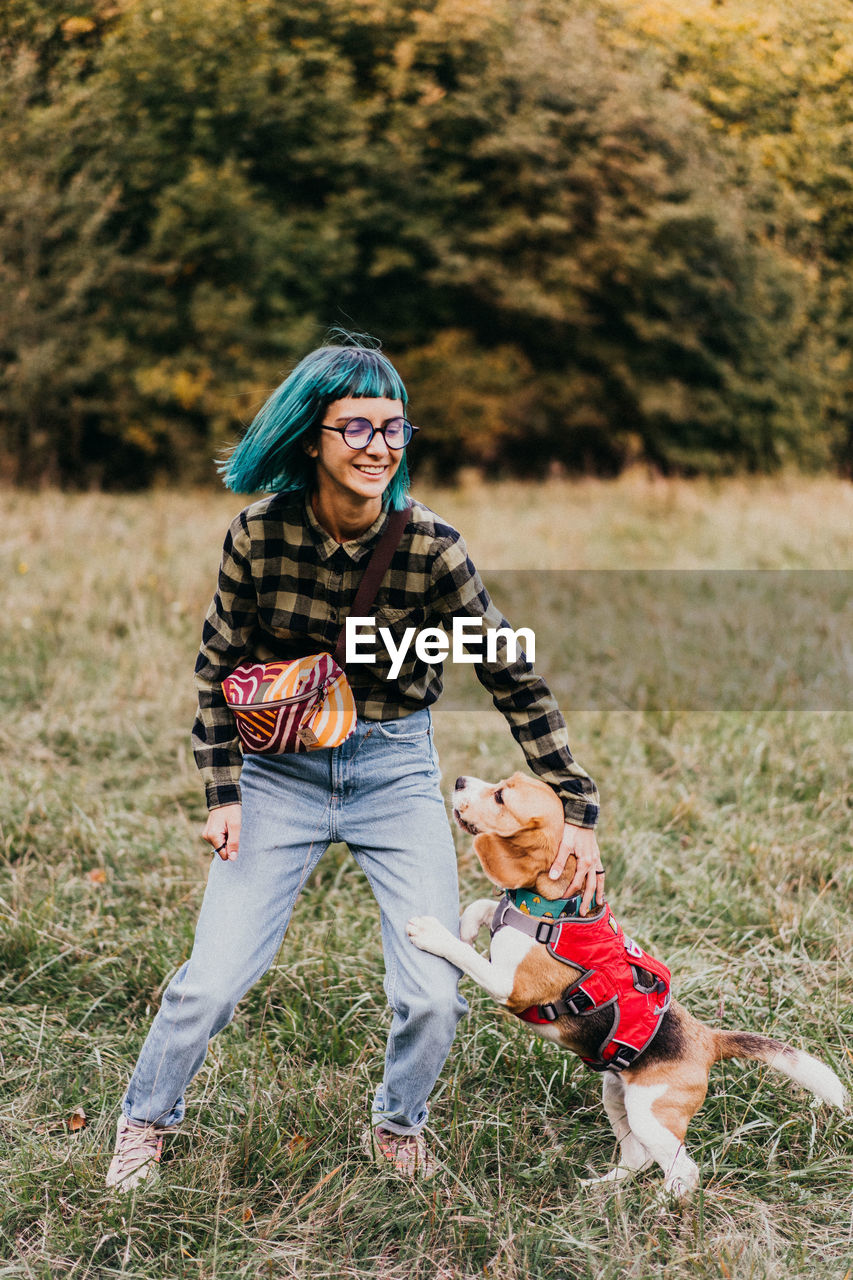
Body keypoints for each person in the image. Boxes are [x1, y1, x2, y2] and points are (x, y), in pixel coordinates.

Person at [106, 338, 602, 1190]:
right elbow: (219, 669)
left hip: (395, 773)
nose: (379, 445)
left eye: (394, 427)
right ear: (312, 436)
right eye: (357, 426)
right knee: (210, 985)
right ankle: (144, 1123)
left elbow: (510, 674)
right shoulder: (259, 534)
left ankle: (398, 1123)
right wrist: (222, 794)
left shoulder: (432, 548)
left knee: (434, 994)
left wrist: (579, 809)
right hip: (278, 780)